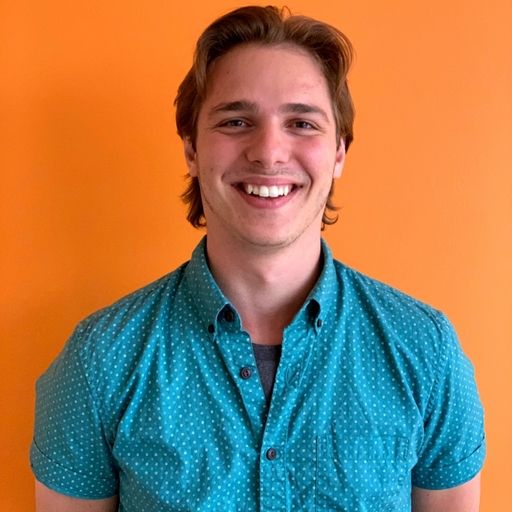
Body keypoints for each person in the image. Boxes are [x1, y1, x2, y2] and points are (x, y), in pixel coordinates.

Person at [31, 5, 485, 511]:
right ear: (191, 149)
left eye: (301, 123)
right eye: (236, 121)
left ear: (339, 152)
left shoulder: (425, 351)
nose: (269, 152)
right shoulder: (100, 361)